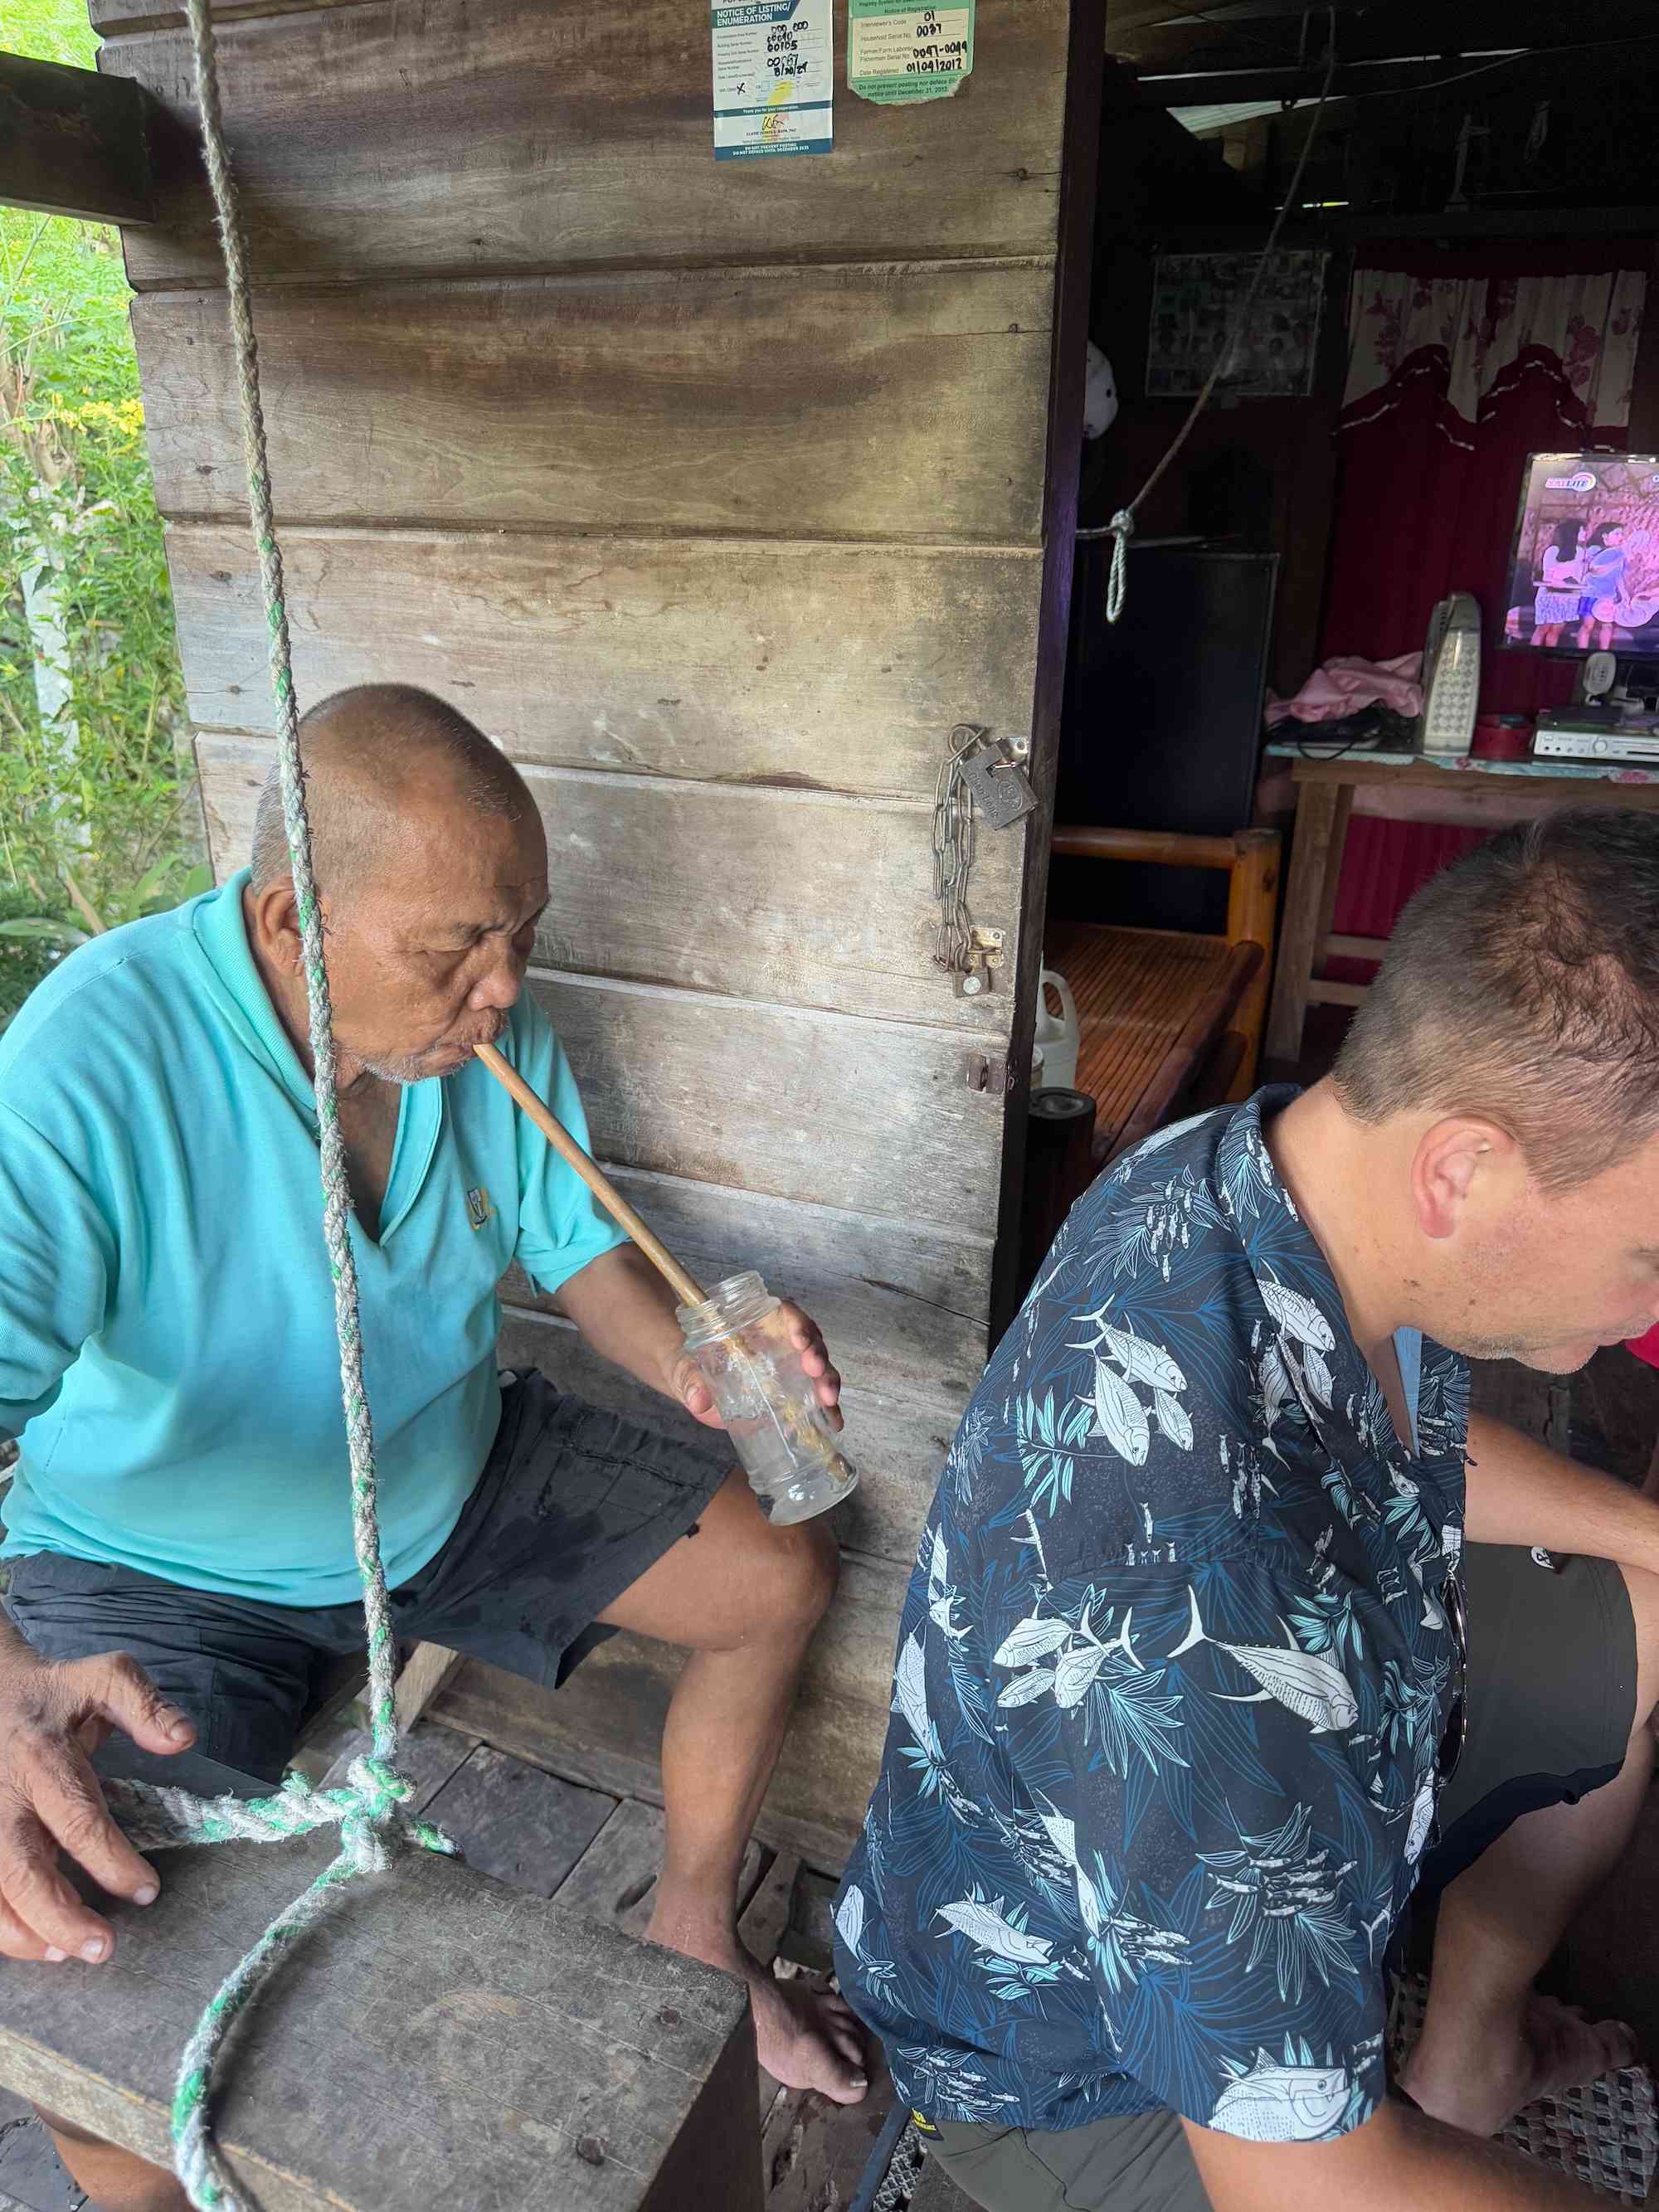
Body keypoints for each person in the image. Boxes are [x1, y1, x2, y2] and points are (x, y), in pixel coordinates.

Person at [0, 683, 868, 2212]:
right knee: (92, 1956)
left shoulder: (482, 1038)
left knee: (776, 1574)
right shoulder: (93, 1061)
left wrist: (689, 1359)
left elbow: (579, 1248)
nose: (503, 984)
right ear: (292, 918)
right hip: (155, 1563)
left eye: (522, 933)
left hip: (440, 1479)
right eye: (455, 946)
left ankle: (693, 1929)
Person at [834, 808, 1659, 2212]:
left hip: (1310, 1712)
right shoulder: (1196, 1616)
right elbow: (1314, 2190)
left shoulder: (1269, 1165)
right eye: (1649, 1251)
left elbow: (1397, 1435)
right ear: (1461, 1170)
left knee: (1645, 1603)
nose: (1650, 1305)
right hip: (1077, 2079)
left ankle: (1465, 2051)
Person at [1530, 519, 1584, 647]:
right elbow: (1547, 576)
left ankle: (1550, 653)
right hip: (1550, 596)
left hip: (1568, 597)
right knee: (1543, 629)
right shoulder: (1553, 551)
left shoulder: (1580, 551)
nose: (1585, 533)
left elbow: (1578, 575)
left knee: (1556, 631)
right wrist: (1560, 583)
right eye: (1582, 531)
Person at [1576, 523, 1629, 652]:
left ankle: (1604, 653)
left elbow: (1618, 576)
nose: (1621, 537)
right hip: (1591, 594)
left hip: (1608, 595)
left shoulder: (1618, 553)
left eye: (1621, 534)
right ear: (1605, 535)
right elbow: (1595, 570)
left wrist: (1624, 594)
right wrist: (1616, 561)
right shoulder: (1595, 549)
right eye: (1617, 533)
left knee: (1607, 625)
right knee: (1588, 625)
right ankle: (1582, 653)